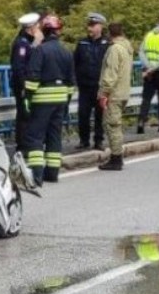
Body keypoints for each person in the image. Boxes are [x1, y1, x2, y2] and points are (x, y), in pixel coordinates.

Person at [23, 15, 75, 184]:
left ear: (44, 31)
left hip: (42, 99)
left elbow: (32, 77)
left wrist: (27, 98)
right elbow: (71, 81)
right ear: (58, 31)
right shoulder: (66, 51)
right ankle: (52, 173)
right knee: (54, 136)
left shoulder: (40, 50)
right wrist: (66, 100)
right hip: (60, 99)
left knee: (35, 136)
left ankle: (36, 175)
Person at [97, 23, 133, 171]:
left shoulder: (114, 49)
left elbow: (110, 73)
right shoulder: (127, 47)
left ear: (109, 34)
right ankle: (117, 156)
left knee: (112, 125)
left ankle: (116, 158)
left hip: (115, 93)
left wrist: (104, 93)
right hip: (124, 91)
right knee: (116, 124)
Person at [74, 12, 110, 151]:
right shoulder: (82, 43)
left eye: (93, 25)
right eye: (89, 25)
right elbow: (75, 62)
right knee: (83, 114)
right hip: (84, 86)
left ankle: (99, 141)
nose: (90, 28)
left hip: (100, 86)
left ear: (100, 26)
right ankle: (84, 140)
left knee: (100, 115)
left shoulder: (107, 43)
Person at [10, 12, 42, 152]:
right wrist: (23, 86)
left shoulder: (26, 42)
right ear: (31, 28)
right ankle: (22, 146)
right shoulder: (22, 44)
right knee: (24, 115)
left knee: (28, 114)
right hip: (23, 85)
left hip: (27, 85)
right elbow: (20, 67)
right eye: (37, 25)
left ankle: (27, 143)